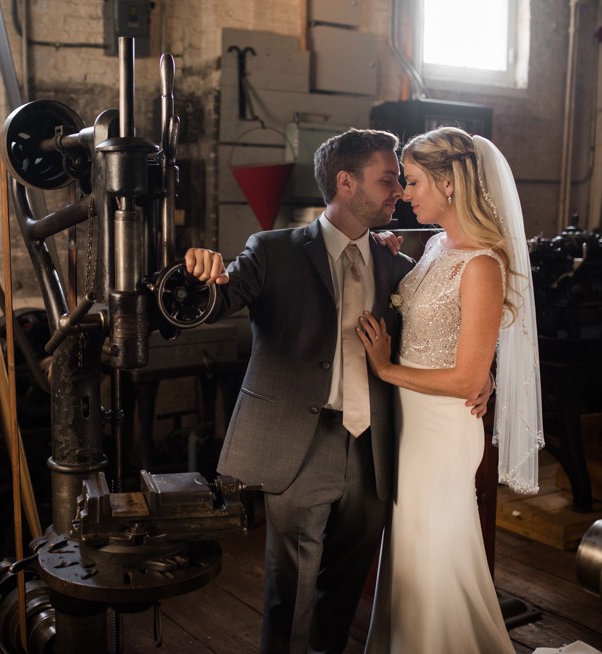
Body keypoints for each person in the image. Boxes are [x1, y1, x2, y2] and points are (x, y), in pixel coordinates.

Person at [184, 128, 492, 654]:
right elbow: (211, 304)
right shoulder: (273, 250)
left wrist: (482, 372)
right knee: (292, 592)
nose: (398, 190)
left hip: (374, 447)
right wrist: (197, 273)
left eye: (402, 180)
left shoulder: (398, 263)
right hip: (297, 445)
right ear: (346, 183)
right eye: (388, 179)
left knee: (345, 586)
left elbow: (452, 319)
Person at [357, 126, 544, 653]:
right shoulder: (438, 245)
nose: (404, 193)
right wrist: (389, 256)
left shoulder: (482, 264)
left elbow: (466, 377)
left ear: (449, 183)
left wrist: (386, 369)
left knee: (436, 551)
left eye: (413, 182)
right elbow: (430, 320)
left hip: (443, 431)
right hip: (410, 428)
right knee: (413, 551)